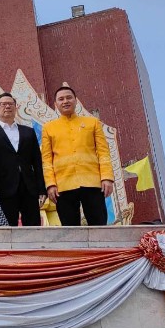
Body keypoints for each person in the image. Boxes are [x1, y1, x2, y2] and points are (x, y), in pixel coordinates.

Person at [41, 85, 114, 226]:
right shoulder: (48, 128)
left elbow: (103, 152)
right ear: (55, 104)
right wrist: (50, 184)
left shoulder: (92, 123)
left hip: (92, 182)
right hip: (63, 184)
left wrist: (107, 178)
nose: (65, 101)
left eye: (69, 98)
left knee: (99, 225)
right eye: (61, 99)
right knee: (70, 230)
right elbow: (47, 159)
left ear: (75, 100)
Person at [0, 92, 47, 226]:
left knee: (33, 226)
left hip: (29, 187)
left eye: (10, 104)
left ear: (16, 108)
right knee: (7, 227)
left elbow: (37, 162)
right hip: (3, 187)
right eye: (3, 104)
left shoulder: (28, 131)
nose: (7, 107)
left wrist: (41, 188)